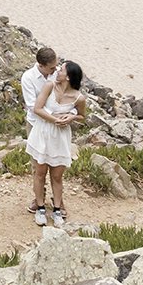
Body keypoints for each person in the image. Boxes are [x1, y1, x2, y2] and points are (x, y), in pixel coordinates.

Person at [27, 60, 86, 228]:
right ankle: (40, 208)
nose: (57, 72)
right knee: (39, 173)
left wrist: (72, 117)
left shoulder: (79, 98)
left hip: (60, 138)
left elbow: (82, 117)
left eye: (61, 70)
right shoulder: (49, 86)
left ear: (67, 77)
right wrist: (55, 120)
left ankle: (57, 209)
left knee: (57, 176)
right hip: (43, 133)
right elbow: (37, 108)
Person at [20, 47, 58, 216]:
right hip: (36, 125)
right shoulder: (28, 78)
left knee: (56, 162)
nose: (55, 70)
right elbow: (32, 105)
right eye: (51, 68)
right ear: (41, 66)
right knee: (38, 164)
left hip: (55, 125)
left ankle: (58, 200)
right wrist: (55, 117)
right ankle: (39, 198)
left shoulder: (57, 74)